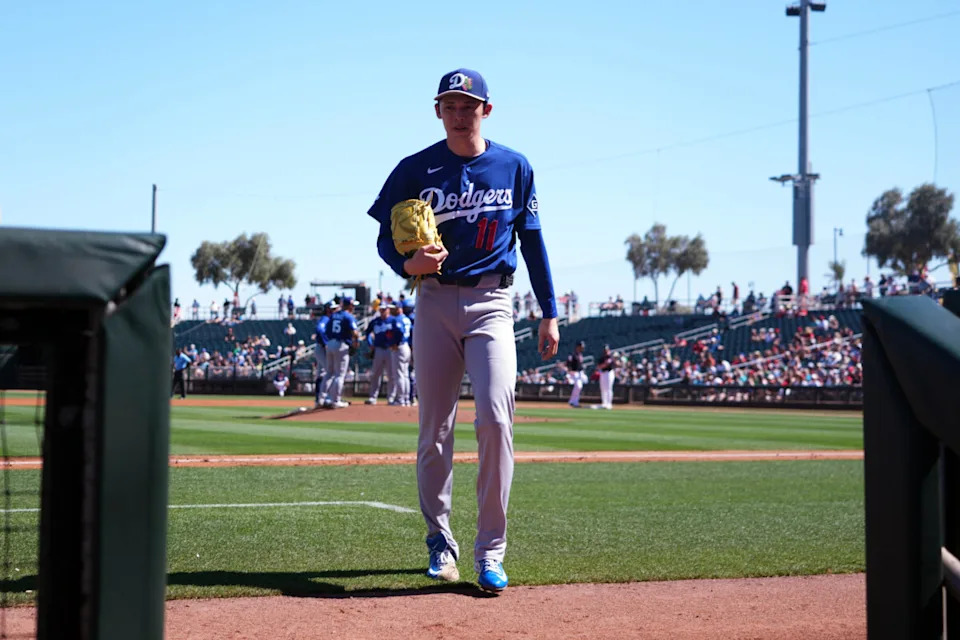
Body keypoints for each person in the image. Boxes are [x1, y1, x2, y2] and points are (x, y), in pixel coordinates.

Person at [367, 68, 560, 594]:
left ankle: (491, 552)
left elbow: (534, 242)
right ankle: (440, 540)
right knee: (435, 429)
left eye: (468, 104)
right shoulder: (415, 168)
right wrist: (406, 267)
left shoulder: (514, 166)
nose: (459, 112)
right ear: (437, 111)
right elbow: (386, 237)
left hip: (494, 301)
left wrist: (550, 310)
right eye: (449, 104)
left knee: (496, 420)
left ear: (486, 110)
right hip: (433, 300)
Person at [319, 296, 359, 409]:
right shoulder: (348, 316)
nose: (354, 307)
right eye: (353, 305)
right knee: (339, 374)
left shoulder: (333, 315)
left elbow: (326, 331)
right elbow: (355, 333)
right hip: (341, 344)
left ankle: (321, 399)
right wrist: (356, 342)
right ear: (349, 305)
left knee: (329, 373)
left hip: (330, 343)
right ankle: (335, 400)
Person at [364, 303, 394, 404]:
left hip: (390, 349)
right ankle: (373, 397)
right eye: (381, 309)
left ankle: (391, 397)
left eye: (384, 309)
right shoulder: (375, 321)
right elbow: (367, 333)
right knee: (376, 374)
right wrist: (370, 344)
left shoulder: (392, 320)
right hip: (378, 349)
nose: (382, 311)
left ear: (388, 309)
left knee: (391, 374)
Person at [387, 302, 413, 406]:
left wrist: (395, 343)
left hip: (400, 346)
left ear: (399, 308)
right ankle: (406, 399)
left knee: (399, 375)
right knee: (405, 374)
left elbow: (399, 331)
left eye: (393, 308)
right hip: (406, 346)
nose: (391, 310)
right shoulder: (407, 319)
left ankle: (401, 399)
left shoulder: (397, 319)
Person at [313, 302, 333, 407]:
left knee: (321, 373)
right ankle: (328, 398)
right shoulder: (325, 318)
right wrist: (326, 343)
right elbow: (320, 329)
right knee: (330, 372)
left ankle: (319, 399)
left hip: (321, 347)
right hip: (322, 347)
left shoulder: (330, 319)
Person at [594, 345, 615, 410]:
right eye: (605, 350)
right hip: (603, 373)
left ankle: (609, 403)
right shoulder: (602, 357)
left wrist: (603, 365)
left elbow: (606, 364)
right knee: (603, 389)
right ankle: (604, 403)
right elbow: (599, 366)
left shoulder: (610, 357)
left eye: (607, 350)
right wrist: (603, 365)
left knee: (609, 388)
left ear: (609, 350)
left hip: (609, 373)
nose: (606, 351)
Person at [567, 340, 586, 408]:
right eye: (581, 347)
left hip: (580, 373)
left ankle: (574, 402)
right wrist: (570, 371)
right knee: (578, 386)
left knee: (579, 387)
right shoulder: (573, 354)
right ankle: (573, 401)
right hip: (574, 372)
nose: (582, 348)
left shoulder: (580, 354)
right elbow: (568, 364)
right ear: (577, 347)